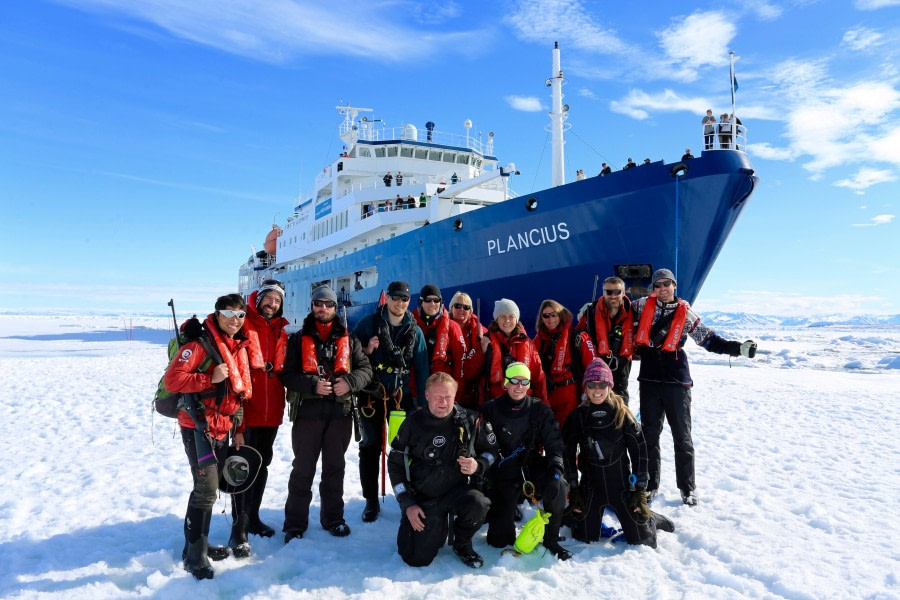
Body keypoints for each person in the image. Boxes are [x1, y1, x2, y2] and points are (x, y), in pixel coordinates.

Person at [633, 269, 757, 505]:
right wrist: (592, 310)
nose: (662, 289)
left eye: (666, 284)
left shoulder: (686, 314)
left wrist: (738, 349)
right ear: (653, 289)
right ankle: (650, 486)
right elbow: (616, 309)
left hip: (676, 382)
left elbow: (709, 340)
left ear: (674, 285)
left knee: (682, 437)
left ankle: (687, 488)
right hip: (649, 380)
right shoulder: (639, 306)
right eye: (657, 285)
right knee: (649, 436)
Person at [164, 294, 252, 580]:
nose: (235, 320)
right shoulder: (199, 345)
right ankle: (194, 557)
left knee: (208, 488)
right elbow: (173, 379)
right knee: (206, 488)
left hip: (222, 426)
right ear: (217, 314)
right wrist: (208, 378)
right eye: (229, 313)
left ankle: (195, 546)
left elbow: (236, 393)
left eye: (240, 315)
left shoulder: (235, 346)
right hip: (197, 425)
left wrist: (238, 427)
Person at [282, 285, 373, 543]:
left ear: (336, 308)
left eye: (329, 304)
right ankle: (294, 524)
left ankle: (334, 518)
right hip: (307, 414)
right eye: (318, 303)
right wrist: (311, 385)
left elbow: (365, 370)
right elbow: (287, 375)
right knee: (302, 469)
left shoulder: (350, 339)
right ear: (312, 306)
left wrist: (350, 382)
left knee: (335, 468)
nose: (323, 308)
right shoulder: (298, 340)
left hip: (340, 413)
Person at [388, 372, 497, 568]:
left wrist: (477, 465)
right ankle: (435, 528)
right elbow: (395, 465)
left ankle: (462, 542)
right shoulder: (413, 423)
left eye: (448, 397)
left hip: (457, 491)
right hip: (424, 497)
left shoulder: (470, 420)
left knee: (479, 503)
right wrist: (408, 504)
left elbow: (491, 452)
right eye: (437, 396)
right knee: (415, 558)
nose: (443, 402)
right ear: (427, 395)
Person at [562, 359, 670, 547]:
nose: (597, 390)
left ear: (609, 386)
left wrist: (640, 491)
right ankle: (585, 519)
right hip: (590, 487)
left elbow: (640, 453)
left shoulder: (622, 414)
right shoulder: (577, 416)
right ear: (585, 388)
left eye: (602, 384)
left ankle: (650, 519)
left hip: (621, 488)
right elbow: (567, 453)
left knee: (643, 541)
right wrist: (574, 489)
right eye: (592, 384)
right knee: (584, 538)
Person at [352, 281, 430, 522]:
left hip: (400, 398)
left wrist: (423, 404)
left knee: (405, 449)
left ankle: (408, 496)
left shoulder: (414, 331)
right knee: (370, 447)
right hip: (371, 397)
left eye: (404, 299)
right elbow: (351, 356)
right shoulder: (368, 324)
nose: (400, 303)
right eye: (395, 297)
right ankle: (371, 501)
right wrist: (367, 350)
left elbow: (421, 367)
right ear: (388, 299)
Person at [480, 362, 572, 560]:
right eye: (514, 380)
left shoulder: (540, 410)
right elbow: (478, 446)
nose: (518, 386)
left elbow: (555, 445)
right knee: (498, 541)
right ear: (506, 382)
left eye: (524, 382)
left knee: (559, 486)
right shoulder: (490, 409)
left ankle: (551, 538)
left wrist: (556, 470)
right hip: (502, 472)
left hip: (530, 467)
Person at [239, 279, 290, 541]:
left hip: (272, 411)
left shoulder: (281, 331)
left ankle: (253, 516)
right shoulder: (243, 323)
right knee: (244, 464)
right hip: (247, 408)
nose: (272, 304)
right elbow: (215, 327)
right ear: (258, 300)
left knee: (263, 464)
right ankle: (241, 521)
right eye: (268, 299)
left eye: (277, 300)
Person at [533, 299, 593, 428]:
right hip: (546, 397)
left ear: (561, 315)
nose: (550, 319)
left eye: (554, 314)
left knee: (568, 438)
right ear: (541, 318)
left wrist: (587, 396)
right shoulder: (539, 341)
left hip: (570, 397)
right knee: (548, 439)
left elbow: (592, 368)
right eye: (546, 315)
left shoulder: (578, 337)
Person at [575, 276, 634, 404]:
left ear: (623, 293)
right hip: (596, 365)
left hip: (621, 366)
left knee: (620, 404)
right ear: (603, 293)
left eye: (617, 292)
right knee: (594, 402)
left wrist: (683, 304)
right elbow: (577, 336)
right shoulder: (590, 312)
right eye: (608, 292)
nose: (613, 296)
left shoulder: (633, 311)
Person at [481, 298, 547, 402]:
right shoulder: (486, 341)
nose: (507, 321)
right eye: (502, 316)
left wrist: (544, 404)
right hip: (497, 402)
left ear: (516, 320)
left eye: (511, 316)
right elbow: (472, 373)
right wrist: (481, 352)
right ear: (497, 319)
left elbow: (538, 376)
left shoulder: (528, 343)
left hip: (523, 402)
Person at [413, 284, 466, 379]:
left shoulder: (452, 327)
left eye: (436, 300)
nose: (432, 303)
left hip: (442, 387)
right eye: (428, 300)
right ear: (421, 302)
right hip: (416, 387)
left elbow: (460, 362)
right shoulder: (411, 325)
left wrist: (457, 391)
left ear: (440, 302)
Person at [448, 291, 486, 409]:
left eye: (466, 307)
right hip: (448, 388)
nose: (461, 309)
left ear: (471, 312)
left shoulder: (480, 331)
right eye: (457, 306)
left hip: (470, 392)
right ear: (451, 308)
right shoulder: (442, 327)